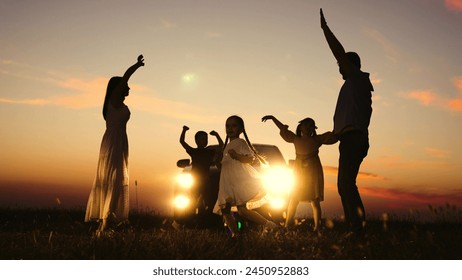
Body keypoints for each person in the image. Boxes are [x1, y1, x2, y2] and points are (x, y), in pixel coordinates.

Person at [320, 9, 374, 234]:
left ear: (351, 65)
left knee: (345, 185)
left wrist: (325, 29)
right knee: (345, 186)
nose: (339, 67)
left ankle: (358, 229)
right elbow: (344, 126)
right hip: (349, 139)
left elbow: (339, 52)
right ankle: (355, 227)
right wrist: (325, 138)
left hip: (354, 140)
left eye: (342, 64)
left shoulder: (357, 79)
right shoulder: (350, 87)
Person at [85, 55, 145, 233]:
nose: (129, 88)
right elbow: (125, 77)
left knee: (117, 180)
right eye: (125, 86)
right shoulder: (114, 101)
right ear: (118, 88)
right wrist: (136, 65)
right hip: (113, 143)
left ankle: (109, 220)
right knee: (114, 180)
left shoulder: (117, 103)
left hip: (119, 142)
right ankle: (105, 222)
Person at [262, 115, 337, 231]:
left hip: (312, 172)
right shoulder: (296, 139)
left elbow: (333, 136)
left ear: (314, 129)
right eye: (306, 125)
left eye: (311, 126)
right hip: (299, 172)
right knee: (293, 199)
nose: (308, 128)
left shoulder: (317, 140)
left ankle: (317, 227)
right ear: (300, 127)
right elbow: (283, 130)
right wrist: (273, 118)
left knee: (314, 200)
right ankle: (287, 225)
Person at [213, 115, 277, 236]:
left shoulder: (240, 143)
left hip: (238, 181)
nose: (230, 128)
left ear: (241, 129)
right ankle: (235, 233)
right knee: (225, 209)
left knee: (242, 211)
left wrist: (237, 156)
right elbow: (224, 167)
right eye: (227, 126)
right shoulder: (226, 147)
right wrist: (217, 162)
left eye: (234, 126)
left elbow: (250, 159)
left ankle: (269, 224)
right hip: (227, 182)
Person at [179, 125, 224, 227]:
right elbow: (182, 142)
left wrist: (216, 135)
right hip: (195, 181)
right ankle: (189, 220)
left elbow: (222, 146)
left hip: (206, 181)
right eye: (203, 139)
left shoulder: (209, 152)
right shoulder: (194, 151)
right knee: (193, 200)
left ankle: (203, 219)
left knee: (207, 201)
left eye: (206, 139)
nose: (205, 141)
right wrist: (184, 131)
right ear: (197, 141)